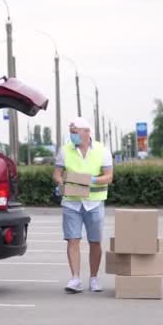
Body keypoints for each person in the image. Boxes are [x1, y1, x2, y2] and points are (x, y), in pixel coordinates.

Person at [52, 117, 114, 293]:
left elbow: (109, 176)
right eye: (71, 132)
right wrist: (60, 184)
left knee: (95, 241)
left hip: (94, 203)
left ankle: (94, 278)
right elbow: (57, 173)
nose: (72, 135)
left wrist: (93, 180)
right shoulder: (64, 151)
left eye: (75, 132)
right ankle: (75, 279)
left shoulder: (102, 150)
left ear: (86, 132)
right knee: (73, 240)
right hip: (71, 203)